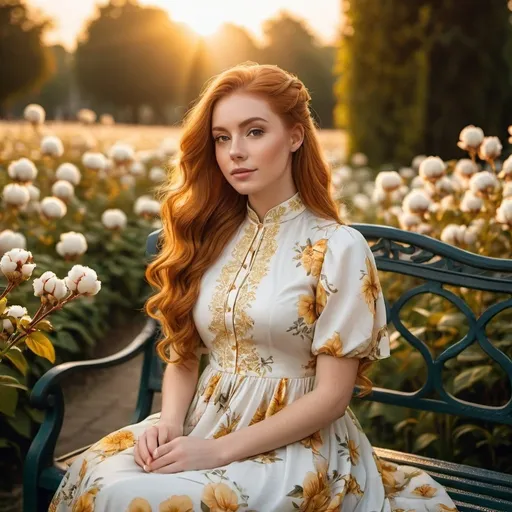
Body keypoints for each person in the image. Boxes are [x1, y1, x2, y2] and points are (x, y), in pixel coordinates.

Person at [50, 63, 457, 511]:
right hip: (202, 424)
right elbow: (184, 357)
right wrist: (168, 426)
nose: (234, 152)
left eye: (254, 132)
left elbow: (332, 398)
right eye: (222, 137)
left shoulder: (338, 248)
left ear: (296, 137)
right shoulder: (209, 236)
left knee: (139, 500)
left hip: (299, 449)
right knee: (97, 477)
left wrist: (217, 452)